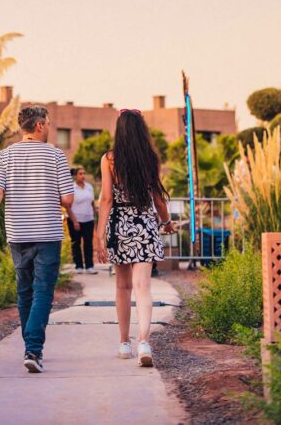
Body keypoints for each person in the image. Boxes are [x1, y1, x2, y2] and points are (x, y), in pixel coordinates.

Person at [0, 105, 74, 374]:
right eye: (49, 123)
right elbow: (68, 199)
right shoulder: (56, 155)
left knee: (25, 291)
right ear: (40, 125)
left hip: (18, 234)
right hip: (48, 234)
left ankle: (30, 347)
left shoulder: (4, 156)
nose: (50, 127)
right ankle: (33, 349)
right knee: (43, 291)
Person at [96, 109, 176, 367]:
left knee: (122, 287)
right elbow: (158, 199)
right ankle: (143, 342)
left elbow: (106, 199)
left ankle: (124, 343)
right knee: (143, 287)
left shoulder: (109, 159)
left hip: (119, 225)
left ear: (119, 130)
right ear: (142, 130)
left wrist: (100, 234)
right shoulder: (150, 159)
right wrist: (166, 223)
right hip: (144, 224)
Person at [67, 166, 97, 273]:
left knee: (88, 243)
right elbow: (68, 206)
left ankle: (89, 266)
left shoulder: (89, 187)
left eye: (84, 173)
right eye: (80, 174)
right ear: (75, 176)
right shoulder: (71, 188)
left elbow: (92, 203)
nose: (83, 176)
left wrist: (94, 216)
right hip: (75, 220)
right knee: (76, 243)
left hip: (88, 219)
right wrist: (74, 221)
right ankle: (78, 266)